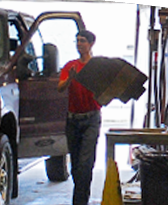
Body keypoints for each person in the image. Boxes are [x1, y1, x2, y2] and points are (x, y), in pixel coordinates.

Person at [57, 30, 102, 205]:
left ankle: (80, 201)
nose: (79, 44)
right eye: (77, 41)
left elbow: (106, 91)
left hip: (91, 119)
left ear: (91, 44)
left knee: (85, 163)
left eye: (82, 41)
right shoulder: (70, 66)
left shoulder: (97, 67)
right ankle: (81, 196)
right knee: (76, 164)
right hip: (73, 120)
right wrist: (70, 79)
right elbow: (60, 87)